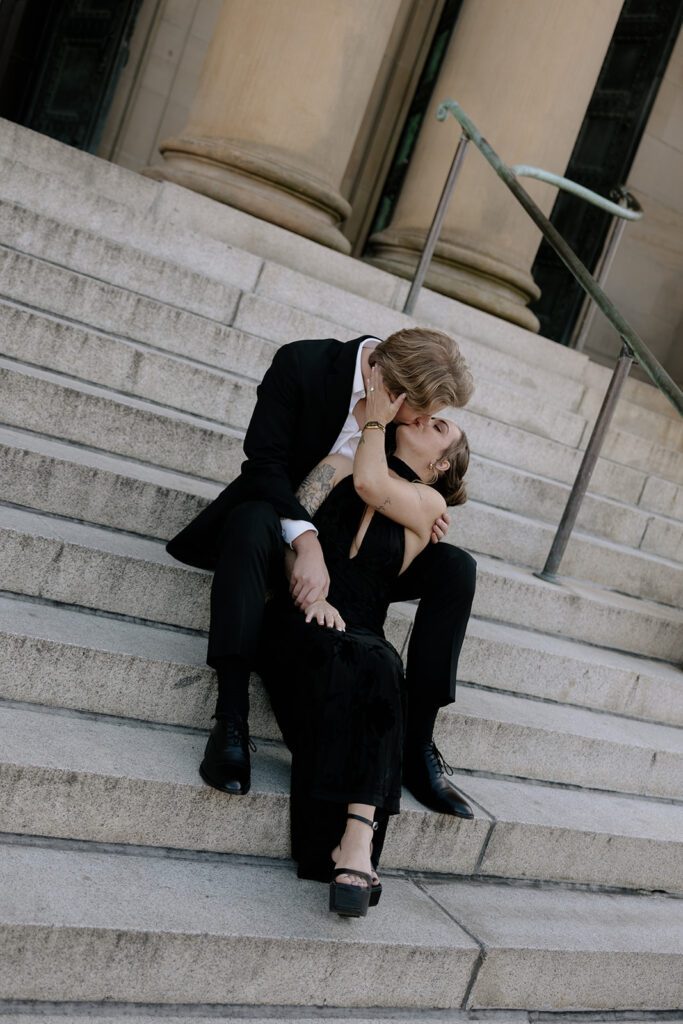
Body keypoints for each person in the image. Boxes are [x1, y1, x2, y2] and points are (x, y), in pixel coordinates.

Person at [166, 327, 477, 818]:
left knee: (457, 566)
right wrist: (304, 541)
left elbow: (389, 487)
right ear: (389, 390)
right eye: (422, 413)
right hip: (283, 526)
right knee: (251, 520)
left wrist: (420, 508)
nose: (424, 421)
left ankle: (417, 743)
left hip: (365, 564)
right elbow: (263, 466)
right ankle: (230, 718)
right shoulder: (303, 366)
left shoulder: (397, 433)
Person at [255, 363, 470, 916]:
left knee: (379, 663)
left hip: (362, 635)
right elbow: (290, 528)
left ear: (441, 464)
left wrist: (375, 418)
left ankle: (354, 840)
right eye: (424, 414)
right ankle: (354, 846)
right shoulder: (337, 465)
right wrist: (310, 593)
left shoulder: (429, 505)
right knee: (370, 663)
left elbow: (375, 485)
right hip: (303, 618)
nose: (426, 418)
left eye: (440, 427)